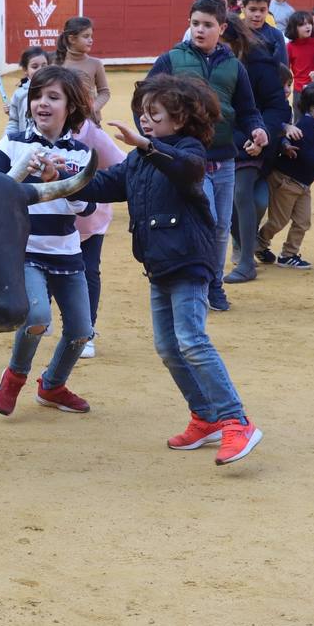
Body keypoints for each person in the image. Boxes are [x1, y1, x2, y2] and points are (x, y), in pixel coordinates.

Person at [74, 74, 263, 464]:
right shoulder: (139, 161)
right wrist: (61, 180)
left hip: (190, 261)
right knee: (167, 346)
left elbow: (187, 169)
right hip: (159, 264)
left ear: (179, 119)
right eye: (143, 113)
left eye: (155, 115)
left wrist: (146, 144)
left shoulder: (189, 150)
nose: (146, 120)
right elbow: (104, 184)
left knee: (192, 340)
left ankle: (235, 420)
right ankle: (206, 417)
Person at [144, 0, 267, 312]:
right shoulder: (171, 59)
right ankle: (199, 282)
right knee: (207, 220)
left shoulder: (234, 66)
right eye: (195, 24)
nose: (200, 30)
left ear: (222, 28)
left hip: (225, 159)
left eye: (208, 25)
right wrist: (155, 136)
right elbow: (145, 101)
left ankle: (213, 284)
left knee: (220, 227)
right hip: (188, 158)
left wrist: (259, 130)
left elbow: (248, 110)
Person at [0, 65, 98, 417]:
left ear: (71, 107)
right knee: (36, 316)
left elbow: (85, 206)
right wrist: (19, 175)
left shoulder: (80, 153)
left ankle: (52, 385)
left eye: (53, 97)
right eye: (37, 96)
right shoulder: (14, 142)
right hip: (26, 250)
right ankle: (15, 378)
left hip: (68, 254)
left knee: (81, 331)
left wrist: (60, 177)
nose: (42, 104)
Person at [225, 0, 290, 284]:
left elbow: (278, 106)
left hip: (257, 141)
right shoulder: (202, 62)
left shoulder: (260, 61)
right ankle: (245, 250)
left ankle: (246, 254)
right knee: (247, 196)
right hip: (228, 141)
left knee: (249, 196)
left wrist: (260, 135)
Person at [257, 82, 314, 269]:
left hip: (302, 183)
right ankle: (258, 243)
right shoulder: (307, 124)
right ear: (308, 109)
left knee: (303, 221)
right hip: (286, 180)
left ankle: (289, 254)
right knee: (279, 221)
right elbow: (308, 154)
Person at [72, 95, 126, 359]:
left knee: (88, 272)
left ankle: (86, 331)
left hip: (91, 221)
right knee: (44, 269)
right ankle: (42, 316)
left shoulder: (93, 135)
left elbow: (123, 168)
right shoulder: (35, 134)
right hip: (50, 223)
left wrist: (93, 184)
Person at [53, 16, 110, 123]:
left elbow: (104, 92)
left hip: (89, 121)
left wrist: (92, 109)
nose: (91, 40)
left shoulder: (96, 64)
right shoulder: (56, 64)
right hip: (63, 121)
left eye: (91, 36)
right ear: (72, 39)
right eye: (86, 36)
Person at [4, 46, 47, 139]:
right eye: (35, 67)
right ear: (25, 70)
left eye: (44, 66)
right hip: (25, 145)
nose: (40, 69)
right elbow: (14, 122)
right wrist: (6, 141)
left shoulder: (57, 92)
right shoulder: (19, 94)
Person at [284, 9, 314, 116]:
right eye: (303, 25)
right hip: (299, 90)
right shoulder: (289, 47)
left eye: (309, 23)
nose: (308, 26)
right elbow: (285, 69)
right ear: (294, 28)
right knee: (300, 121)